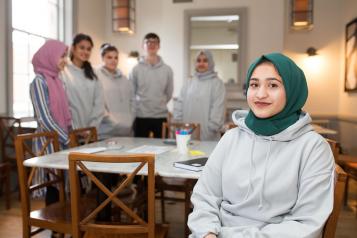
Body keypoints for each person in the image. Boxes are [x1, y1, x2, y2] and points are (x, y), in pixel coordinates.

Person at [188, 53, 335, 237]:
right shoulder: (231, 138)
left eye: (273, 85)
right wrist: (207, 232)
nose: (260, 94)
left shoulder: (313, 148)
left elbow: (307, 223)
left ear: (292, 91)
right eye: (254, 84)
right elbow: (205, 196)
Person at [30, 40, 72, 202]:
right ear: (50, 56)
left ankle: (61, 225)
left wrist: (70, 133)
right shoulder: (39, 82)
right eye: (62, 56)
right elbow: (44, 118)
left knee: (62, 187)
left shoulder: (58, 81)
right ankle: (54, 226)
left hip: (61, 140)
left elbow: (67, 113)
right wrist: (67, 138)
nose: (65, 60)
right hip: (47, 141)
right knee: (52, 186)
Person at [173, 50, 226, 140]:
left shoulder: (217, 83)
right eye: (198, 60)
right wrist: (179, 124)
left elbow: (218, 110)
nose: (201, 63)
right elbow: (179, 104)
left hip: (208, 137)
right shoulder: (189, 82)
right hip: (186, 134)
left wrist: (210, 131)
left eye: (205, 60)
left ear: (211, 63)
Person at [129, 32, 174, 138]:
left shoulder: (167, 70)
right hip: (141, 116)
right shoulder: (135, 69)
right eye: (148, 42)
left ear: (159, 46)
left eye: (154, 42)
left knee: (163, 149)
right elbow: (131, 93)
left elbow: (169, 93)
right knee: (139, 149)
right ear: (142, 46)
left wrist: (159, 103)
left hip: (160, 116)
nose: (151, 44)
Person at [60, 33, 105, 132]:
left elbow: (99, 105)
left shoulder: (93, 74)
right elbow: (62, 104)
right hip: (69, 133)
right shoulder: (63, 70)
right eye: (82, 47)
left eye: (88, 49)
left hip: (89, 133)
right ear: (73, 48)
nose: (85, 51)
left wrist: (90, 129)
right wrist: (74, 129)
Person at [96, 43, 135, 138]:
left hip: (126, 132)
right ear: (102, 58)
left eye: (116, 57)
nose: (113, 60)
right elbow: (97, 105)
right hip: (105, 132)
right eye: (109, 57)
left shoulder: (125, 79)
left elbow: (133, 102)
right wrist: (112, 121)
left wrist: (130, 119)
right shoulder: (96, 77)